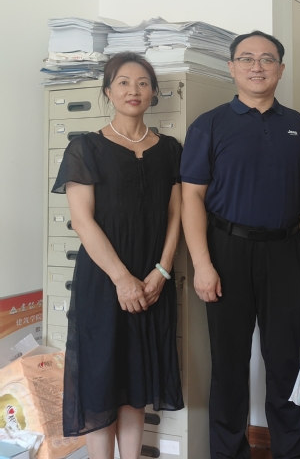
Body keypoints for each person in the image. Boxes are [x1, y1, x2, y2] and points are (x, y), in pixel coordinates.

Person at [180, 31, 300, 459]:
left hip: (286, 251)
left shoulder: (297, 124)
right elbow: (191, 197)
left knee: (286, 359)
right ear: (232, 67)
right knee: (229, 363)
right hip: (227, 251)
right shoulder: (209, 124)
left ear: (281, 69)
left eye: (267, 59)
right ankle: (228, 452)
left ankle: (290, 451)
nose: (257, 67)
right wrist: (202, 264)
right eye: (247, 58)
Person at [53, 52, 184, 459]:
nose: (133, 90)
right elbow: (83, 221)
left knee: (135, 381)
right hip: (104, 279)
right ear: (108, 91)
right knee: (101, 381)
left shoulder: (170, 150)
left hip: (152, 280)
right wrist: (122, 279)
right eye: (123, 82)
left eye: (143, 83)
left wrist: (162, 271)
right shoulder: (85, 147)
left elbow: (176, 213)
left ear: (154, 92)